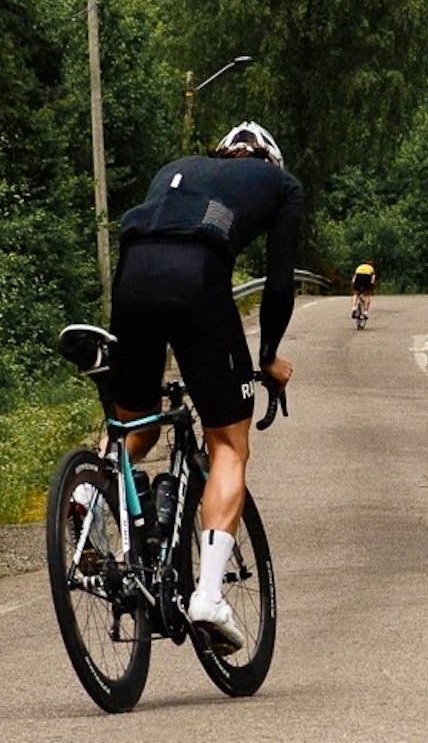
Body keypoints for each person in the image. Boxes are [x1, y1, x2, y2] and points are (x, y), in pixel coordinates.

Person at [108, 121, 302, 654]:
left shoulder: (173, 169)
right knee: (227, 444)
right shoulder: (280, 185)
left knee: (137, 425)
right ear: (269, 159)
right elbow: (280, 283)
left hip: (132, 277)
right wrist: (267, 358)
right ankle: (209, 597)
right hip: (197, 279)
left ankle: (89, 496)